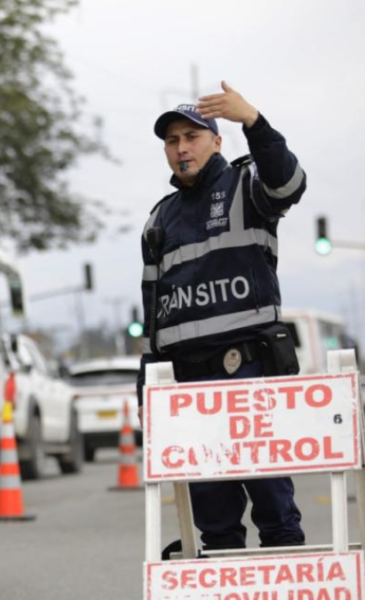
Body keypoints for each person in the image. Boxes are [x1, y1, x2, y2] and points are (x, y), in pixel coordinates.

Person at [137, 81, 307, 550]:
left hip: (249, 376)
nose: (181, 148)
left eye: (191, 137)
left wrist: (253, 120)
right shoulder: (159, 219)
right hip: (191, 391)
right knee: (214, 527)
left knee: (276, 515)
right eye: (172, 141)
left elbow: (290, 183)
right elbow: (154, 322)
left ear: (215, 141)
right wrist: (146, 394)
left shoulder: (247, 186)